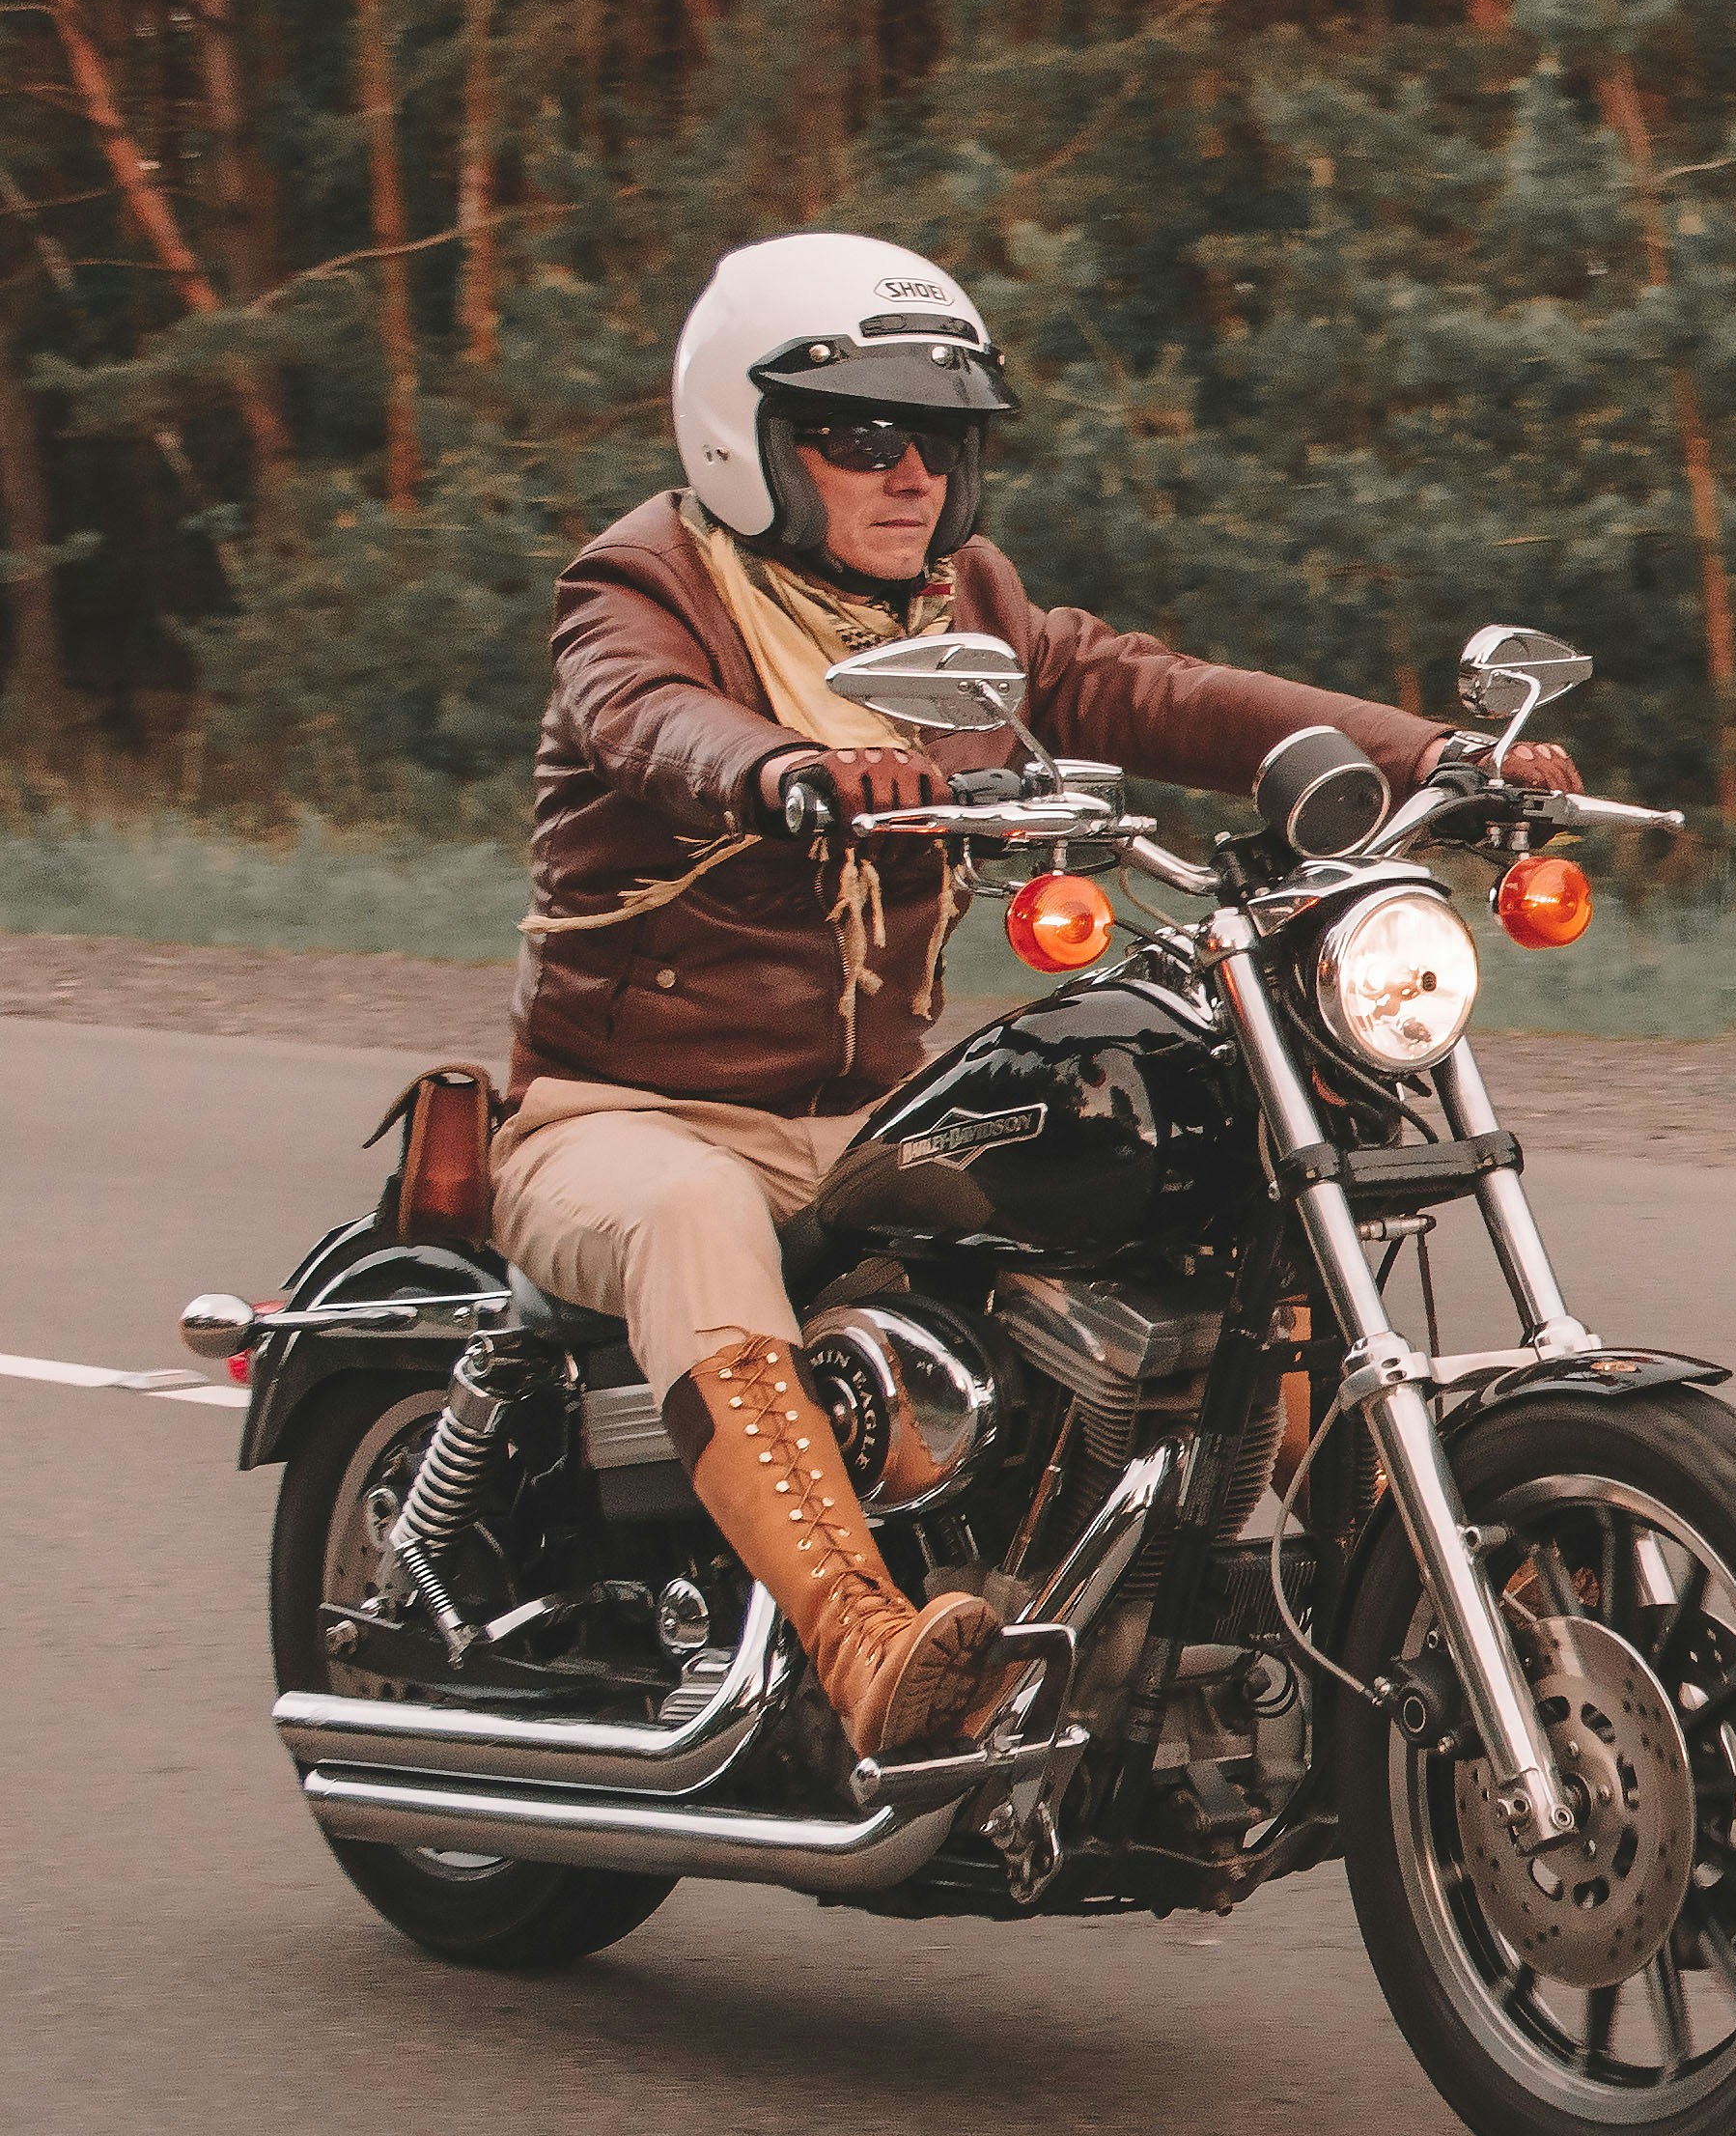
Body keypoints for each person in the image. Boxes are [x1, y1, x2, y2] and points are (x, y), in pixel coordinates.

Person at [493, 234, 1577, 1765]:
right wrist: (783, 770)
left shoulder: (968, 601)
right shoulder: (646, 584)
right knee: (691, 1220)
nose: (909, 474)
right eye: (859, 434)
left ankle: (1368, 1589)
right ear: (745, 437)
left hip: (862, 1116)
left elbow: (1154, 689)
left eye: (939, 439)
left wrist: (1427, 758)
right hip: (629, 1116)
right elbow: (640, 717)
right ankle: (866, 1645)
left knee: (1196, 1162)